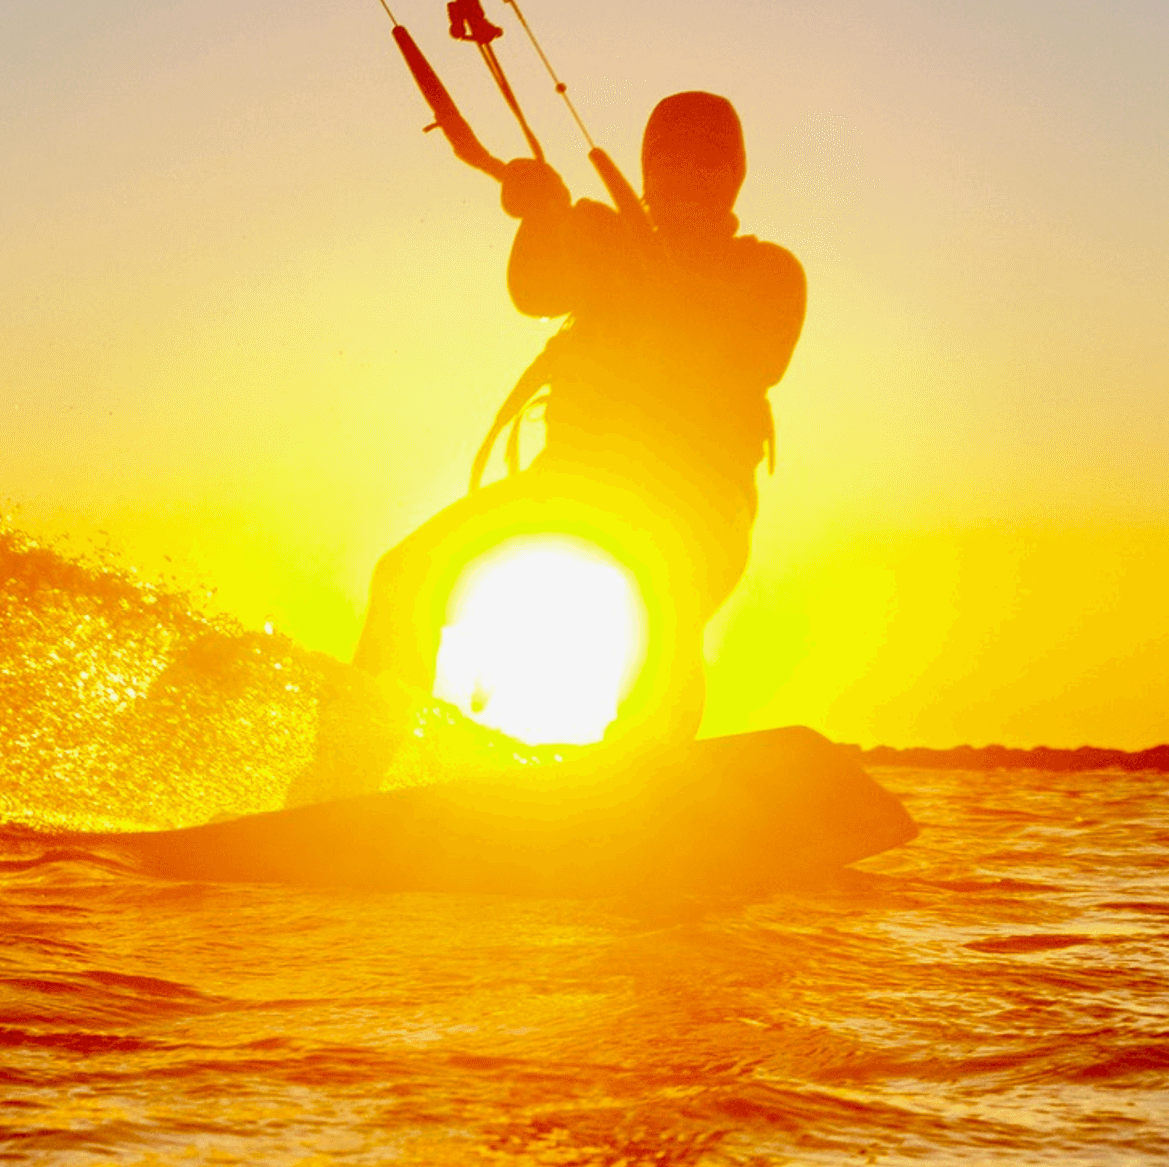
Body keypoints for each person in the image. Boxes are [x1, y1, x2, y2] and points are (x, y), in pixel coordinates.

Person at [293, 90, 805, 801]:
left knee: (668, 595)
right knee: (404, 574)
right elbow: (534, 290)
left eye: (708, 164)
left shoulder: (768, 269)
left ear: (734, 178)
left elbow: (760, 356)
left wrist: (650, 270)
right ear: (648, 172)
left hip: (698, 501)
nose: (688, 177)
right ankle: (340, 785)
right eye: (671, 163)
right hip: (571, 482)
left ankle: (640, 776)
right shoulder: (603, 239)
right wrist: (540, 214)